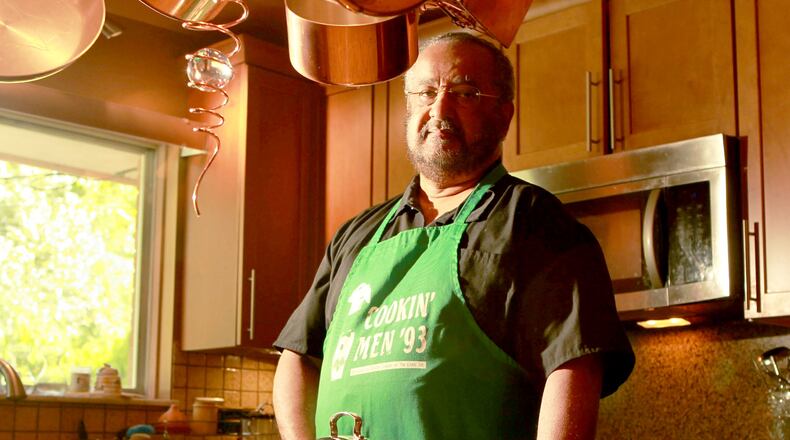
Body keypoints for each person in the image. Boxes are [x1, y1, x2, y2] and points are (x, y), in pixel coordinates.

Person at [272, 32, 634, 440]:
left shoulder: (535, 223)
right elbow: (298, 356)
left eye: (464, 93)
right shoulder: (356, 234)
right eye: (425, 92)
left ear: (504, 116)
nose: (439, 108)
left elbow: (573, 367)